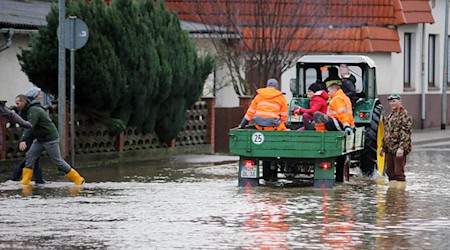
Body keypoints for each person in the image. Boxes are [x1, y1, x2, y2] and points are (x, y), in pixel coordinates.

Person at [15, 94, 85, 185]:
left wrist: (23, 139)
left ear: (24, 102)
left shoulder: (34, 110)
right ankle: (25, 180)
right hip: (40, 139)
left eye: (18, 103)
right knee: (30, 157)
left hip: (50, 139)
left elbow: (30, 126)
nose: (16, 106)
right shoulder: (28, 110)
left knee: (58, 160)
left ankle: (78, 179)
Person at [11, 90, 45, 184]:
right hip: (29, 137)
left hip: (34, 136)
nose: (41, 96)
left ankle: (17, 176)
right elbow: (27, 126)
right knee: (33, 158)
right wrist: (24, 139)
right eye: (39, 95)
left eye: (18, 103)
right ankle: (37, 180)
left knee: (32, 158)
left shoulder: (33, 108)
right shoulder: (27, 110)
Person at [379, 94, 412, 189]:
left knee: (399, 172)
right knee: (390, 171)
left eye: (394, 101)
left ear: (400, 101)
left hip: (399, 148)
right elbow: (386, 133)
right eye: (390, 101)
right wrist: (383, 147)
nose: (392, 103)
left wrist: (401, 148)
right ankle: (392, 194)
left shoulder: (405, 115)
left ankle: (401, 195)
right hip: (389, 148)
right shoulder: (390, 115)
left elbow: (405, 132)